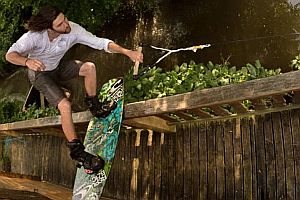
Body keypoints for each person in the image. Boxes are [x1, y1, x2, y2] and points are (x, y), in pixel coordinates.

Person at [5, 6, 143, 174]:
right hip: (40, 74)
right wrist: (27, 62)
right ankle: (78, 153)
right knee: (65, 105)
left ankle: (95, 106)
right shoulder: (33, 37)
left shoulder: (73, 29)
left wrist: (127, 52)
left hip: (58, 67)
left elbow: (101, 43)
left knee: (89, 67)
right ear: (50, 28)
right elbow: (10, 55)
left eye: (65, 19)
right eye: (60, 24)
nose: (66, 24)